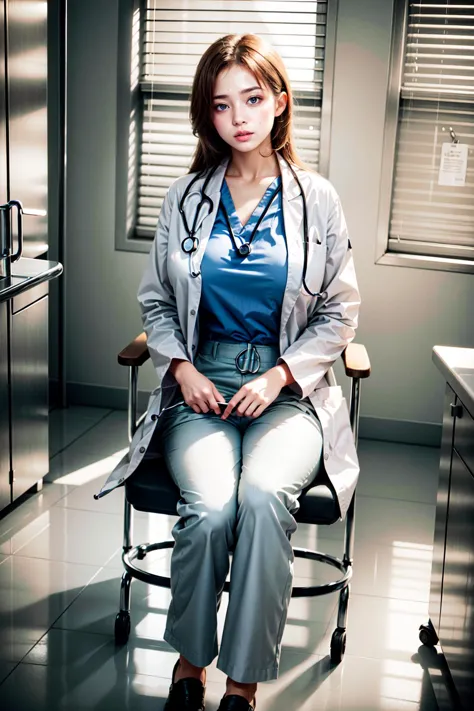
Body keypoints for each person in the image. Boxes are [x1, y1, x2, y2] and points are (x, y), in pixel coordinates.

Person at [99, 32, 360, 711]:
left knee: (265, 494)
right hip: (201, 388)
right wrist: (181, 367)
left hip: (286, 391)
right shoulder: (185, 197)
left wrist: (278, 378)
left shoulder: (318, 200)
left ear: (278, 102)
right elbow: (157, 300)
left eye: (251, 98)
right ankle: (191, 664)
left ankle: (242, 682)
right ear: (206, 115)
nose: (238, 117)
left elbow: (339, 311)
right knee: (211, 505)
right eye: (220, 105)